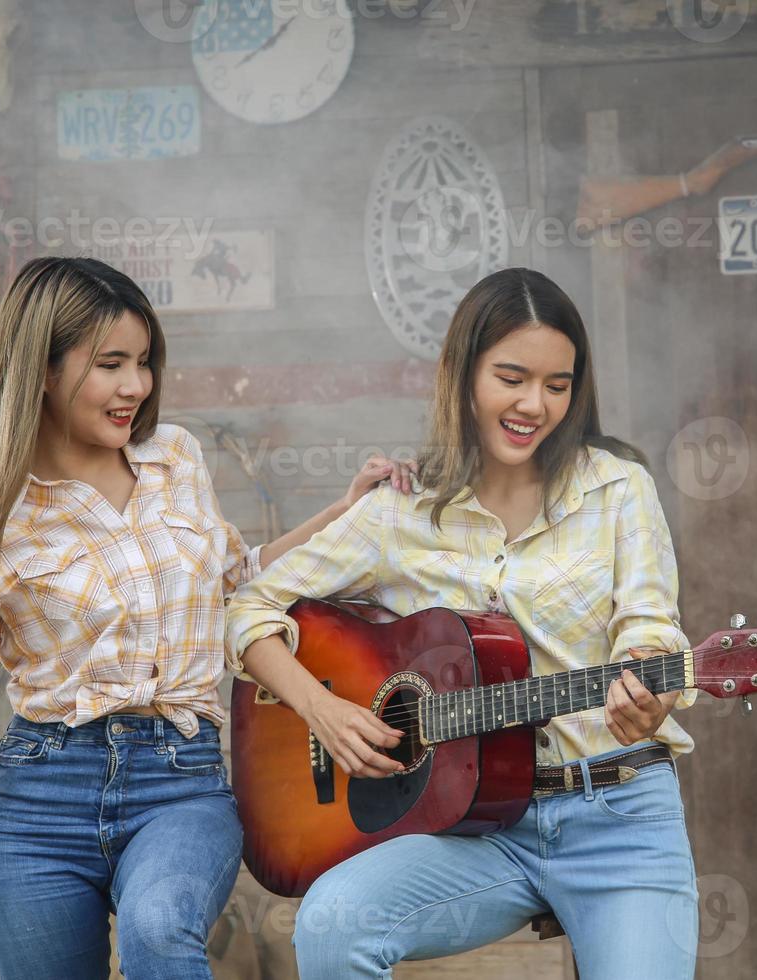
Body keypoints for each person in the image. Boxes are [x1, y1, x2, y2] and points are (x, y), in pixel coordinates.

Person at [0, 256, 415, 979]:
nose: (135, 386)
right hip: (37, 804)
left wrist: (343, 515)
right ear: (42, 370)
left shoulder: (175, 459)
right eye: (111, 364)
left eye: (143, 363)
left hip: (179, 783)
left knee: (158, 928)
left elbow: (236, 585)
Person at [225, 267, 701, 979]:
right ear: (460, 372)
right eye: (511, 377)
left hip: (619, 817)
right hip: (480, 832)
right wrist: (320, 708)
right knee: (332, 923)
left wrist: (650, 694)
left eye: (557, 384)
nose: (533, 404)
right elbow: (249, 608)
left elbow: (651, 629)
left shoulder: (617, 489)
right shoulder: (402, 511)